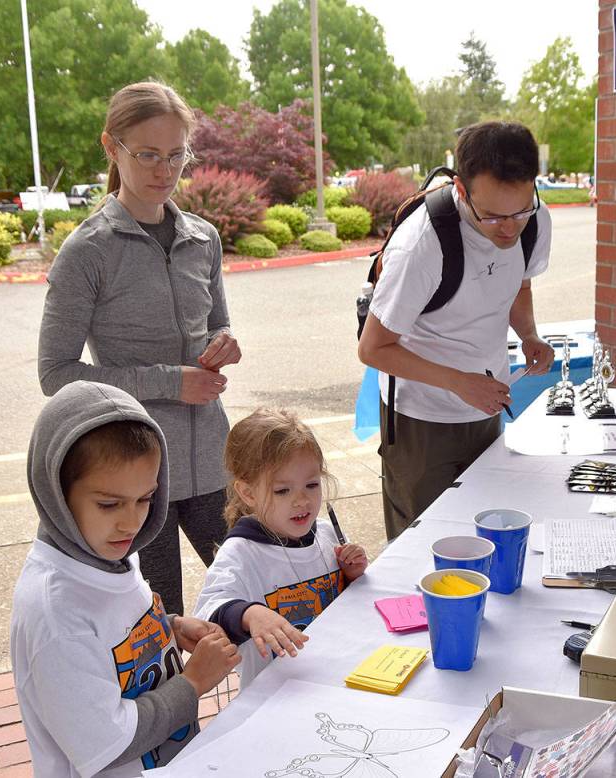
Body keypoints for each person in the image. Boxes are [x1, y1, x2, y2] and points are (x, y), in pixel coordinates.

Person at [38, 81, 239, 616]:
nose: (163, 170)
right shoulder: (88, 252)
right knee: (157, 626)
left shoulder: (203, 238)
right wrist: (172, 381)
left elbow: (216, 323)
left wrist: (223, 345)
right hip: (134, 476)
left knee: (255, 599)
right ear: (112, 148)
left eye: (176, 155)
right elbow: (56, 374)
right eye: (147, 154)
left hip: (212, 462)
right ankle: (169, 706)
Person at [11, 381, 240, 776]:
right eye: (109, 503)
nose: (132, 521)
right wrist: (193, 683)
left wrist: (165, 630)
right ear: (56, 492)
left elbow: (112, 639)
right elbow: (107, 744)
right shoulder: (55, 614)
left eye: (146, 498)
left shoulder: (106, 552)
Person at [358, 121, 555, 540]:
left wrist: (529, 334)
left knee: (484, 534)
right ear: (462, 191)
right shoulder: (421, 245)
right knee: (424, 542)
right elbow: (373, 348)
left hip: (484, 407)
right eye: (493, 216)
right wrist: (458, 383)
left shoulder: (533, 221)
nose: (509, 228)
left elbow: (519, 284)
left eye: (519, 211)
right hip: (421, 418)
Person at [194, 408, 369, 688]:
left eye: (311, 485)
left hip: (337, 678)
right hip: (276, 698)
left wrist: (351, 574)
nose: (302, 501)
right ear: (248, 493)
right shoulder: (241, 552)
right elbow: (206, 615)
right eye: (283, 491)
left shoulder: (325, 533)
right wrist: (250, 614)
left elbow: (345, 604)